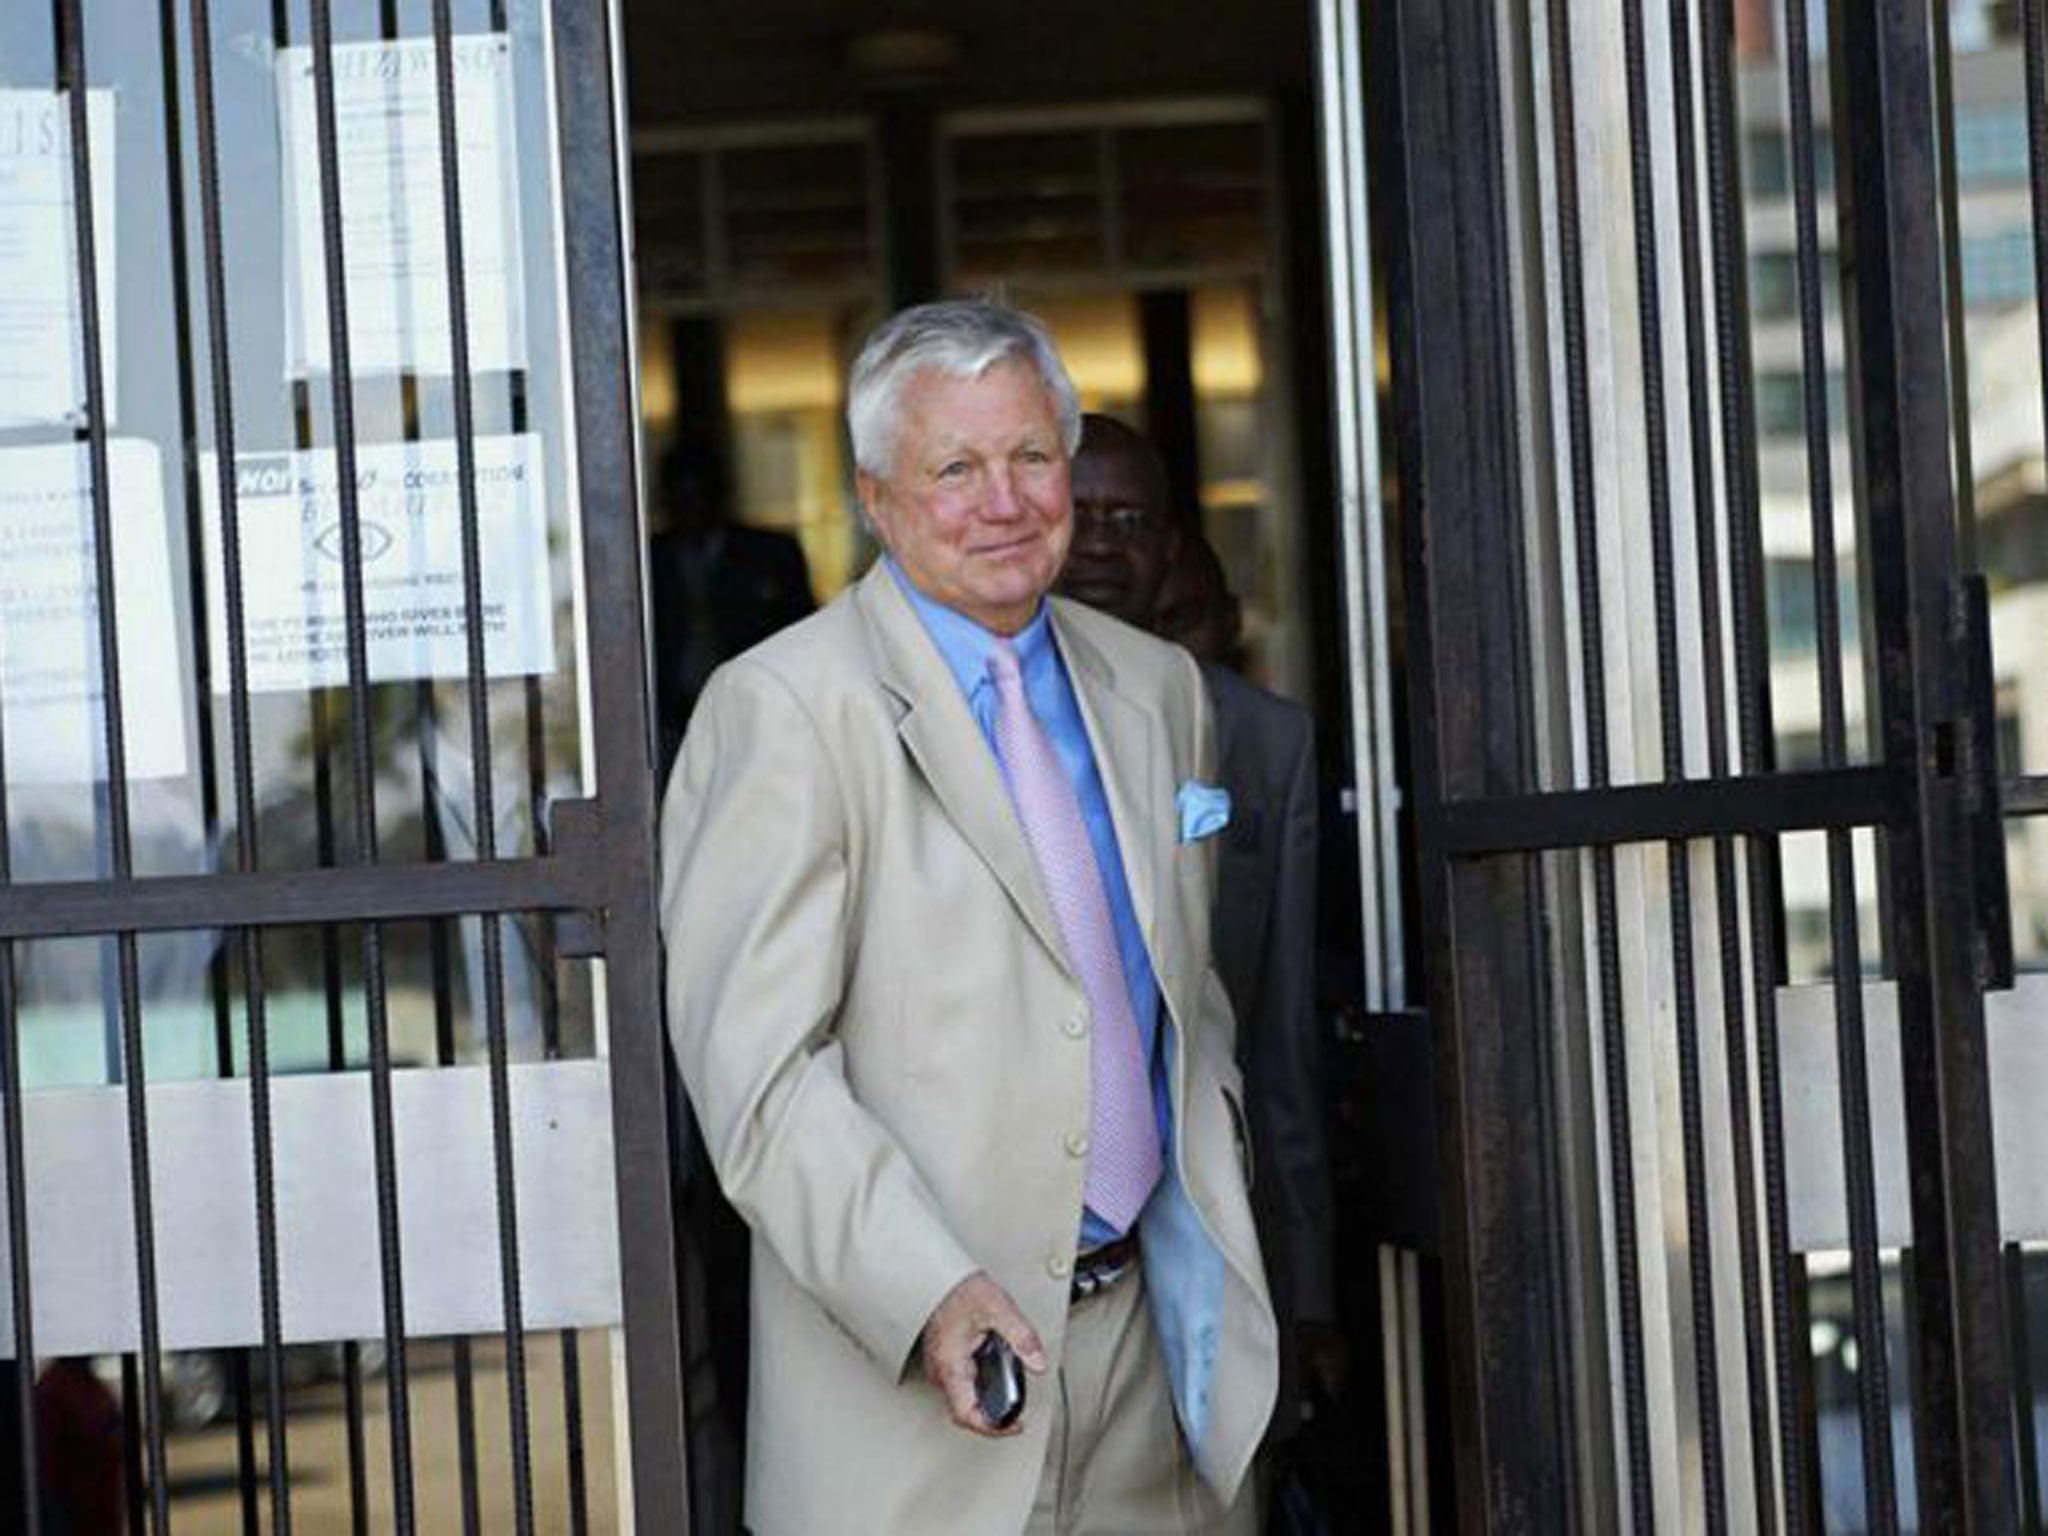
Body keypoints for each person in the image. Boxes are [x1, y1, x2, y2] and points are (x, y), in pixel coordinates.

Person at [660, 300, 1276, 1535]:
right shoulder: (780, 706)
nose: (1003, 501)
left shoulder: (1158, 693)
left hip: (1150, 1375)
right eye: (953, 469)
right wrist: (930, 1292)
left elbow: (1179, 1011)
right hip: (916, 1397)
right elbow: (760, 1077)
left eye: (1030, 457)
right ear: (875, 496)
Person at [1057, 417, 1341, 1456]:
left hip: (1202, 1249)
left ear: (1172, 545)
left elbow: (1280, 1037)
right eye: (1077, 513)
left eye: (1127, 519)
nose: (1097, 542)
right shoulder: (954, 718)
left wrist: (1304, 1289)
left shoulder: (1263, 742)